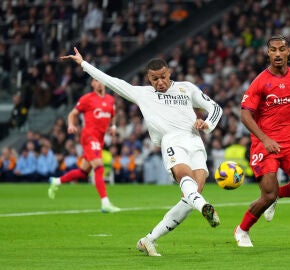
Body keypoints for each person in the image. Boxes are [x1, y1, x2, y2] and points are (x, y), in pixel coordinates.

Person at [60, 47, 223, 256]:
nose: (160, 82)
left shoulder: (186, 88)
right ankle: (206, 207)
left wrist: (207, 124)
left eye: (163, 77)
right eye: (155, 79)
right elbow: (111, 81)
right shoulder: (143, 94)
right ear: (149, 77)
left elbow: (215, 108)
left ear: (169, 73)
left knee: (190, 196)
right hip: (172, 141)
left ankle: (148, 239)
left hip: (195, 141)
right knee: (185, 178)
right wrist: (83, 64)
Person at [235, 35, 290, 247]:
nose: (277, 53)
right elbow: (245, 114)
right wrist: (264, 139)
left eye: (281, 49)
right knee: (267, 195)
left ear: (288, 52)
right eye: (273, 50)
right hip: (264, 145)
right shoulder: (260, 82)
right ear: (268, 53)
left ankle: (278, 196)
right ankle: (242, 230)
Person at [48, 78, 121, 213]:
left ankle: (56, 181)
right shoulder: (87, 98)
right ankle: (105, 203)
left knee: (83, 172)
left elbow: (113, 114)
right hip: (89, 137)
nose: (99, 83)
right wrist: (71, 125)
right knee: (99, 167)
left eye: (101, 80)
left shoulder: (110, 99)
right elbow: (73, 114)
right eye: (96, 81)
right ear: (92, 84)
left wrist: (114, 126)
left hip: (99, 140)